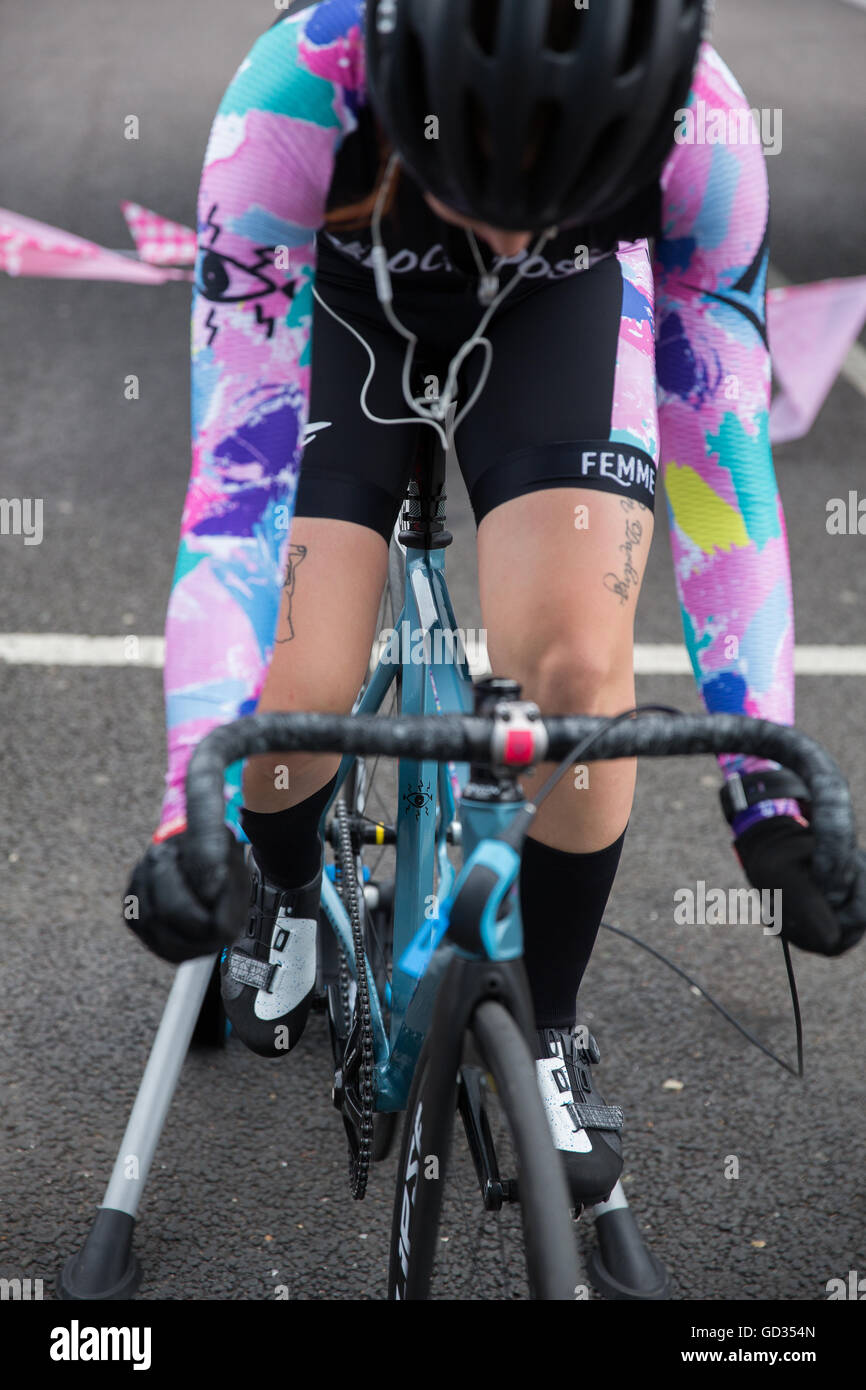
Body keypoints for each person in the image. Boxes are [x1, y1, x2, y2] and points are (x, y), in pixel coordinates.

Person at [127, 0, 863, 1212]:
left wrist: (763, 788)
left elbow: (718, 468)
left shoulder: (704, 131)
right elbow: (234, 499)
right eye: (476, 180)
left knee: (577, 669)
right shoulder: (290, 96)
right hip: (347, 304)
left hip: (561, 317)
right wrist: (181, 810)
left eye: (556, 189)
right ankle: (288, 888)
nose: (510, 227)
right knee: (290, 700)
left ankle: (551, 1024)